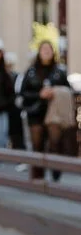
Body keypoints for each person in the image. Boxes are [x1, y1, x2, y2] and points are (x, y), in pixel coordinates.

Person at [18, 40, 72, 168]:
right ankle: (38, 174)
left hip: (54, 112)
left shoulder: (59, 71)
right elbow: (23, 93)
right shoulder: (31, 71)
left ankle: (55, 171)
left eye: (49, 49)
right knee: (37, 144)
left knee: (55, 142)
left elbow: (67, 90)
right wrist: (39, 95)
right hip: (35, 111)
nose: (46, 52)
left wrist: (55, 91)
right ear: (39, 52)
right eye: (44, 49)